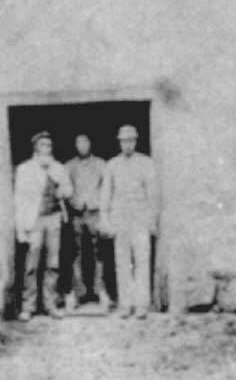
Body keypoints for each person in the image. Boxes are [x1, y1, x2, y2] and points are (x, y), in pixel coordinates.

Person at [13, 131, 74, 320]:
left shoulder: (57, 168)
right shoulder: (25, 169)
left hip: (53, 218)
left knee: (53, 263)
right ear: (36, 148)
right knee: (32, 263)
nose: (47, 148)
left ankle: (50, 304)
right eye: (43, 145)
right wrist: (21, 227)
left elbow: (69, 189)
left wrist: (61, 189)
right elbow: (19, 199)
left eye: (49, 145)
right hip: (34, 219)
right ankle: (28, 306)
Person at [101, 124, 158, 319]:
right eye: (124, 141)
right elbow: (106, 195)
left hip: (140, 218)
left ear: (136, 141)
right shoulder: (112, 165)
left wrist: (152, 220)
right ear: (119, 142)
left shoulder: (146, 163)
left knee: (142, 260)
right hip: (120, 219)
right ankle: (125, 304)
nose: (128, 144)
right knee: (122, 262)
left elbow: (152, 194)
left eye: (131, 140)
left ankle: (142, 304)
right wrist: (106, 220)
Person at [65, 133, 109, 310]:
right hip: (77, 214)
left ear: (90, 144)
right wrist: (73, 202)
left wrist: (99, 204)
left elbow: (107, 187)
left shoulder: (100, 164)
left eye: (85, 142)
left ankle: (100, 291)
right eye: (79, 143)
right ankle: (78, 291)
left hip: (95, 213)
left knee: (100, 253)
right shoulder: (69, 165)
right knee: (76, 253)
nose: (82, 146)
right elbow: (64, 186)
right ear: (75, 146)